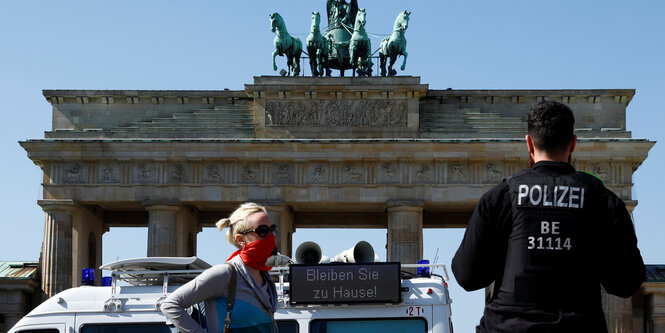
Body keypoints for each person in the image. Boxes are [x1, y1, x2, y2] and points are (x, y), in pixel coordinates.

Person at [451, 101, 645, 332]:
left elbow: (467, 277)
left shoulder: (500, 197)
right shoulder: (603, 201)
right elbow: (626, 283)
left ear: (529, 143)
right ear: (573, 144)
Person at [161, 202, 280, 333]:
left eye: (272, 229)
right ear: (240, 239)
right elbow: (170, 305)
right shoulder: (224, 274)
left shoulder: (265, 278)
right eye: (262, 231)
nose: (270, 236)